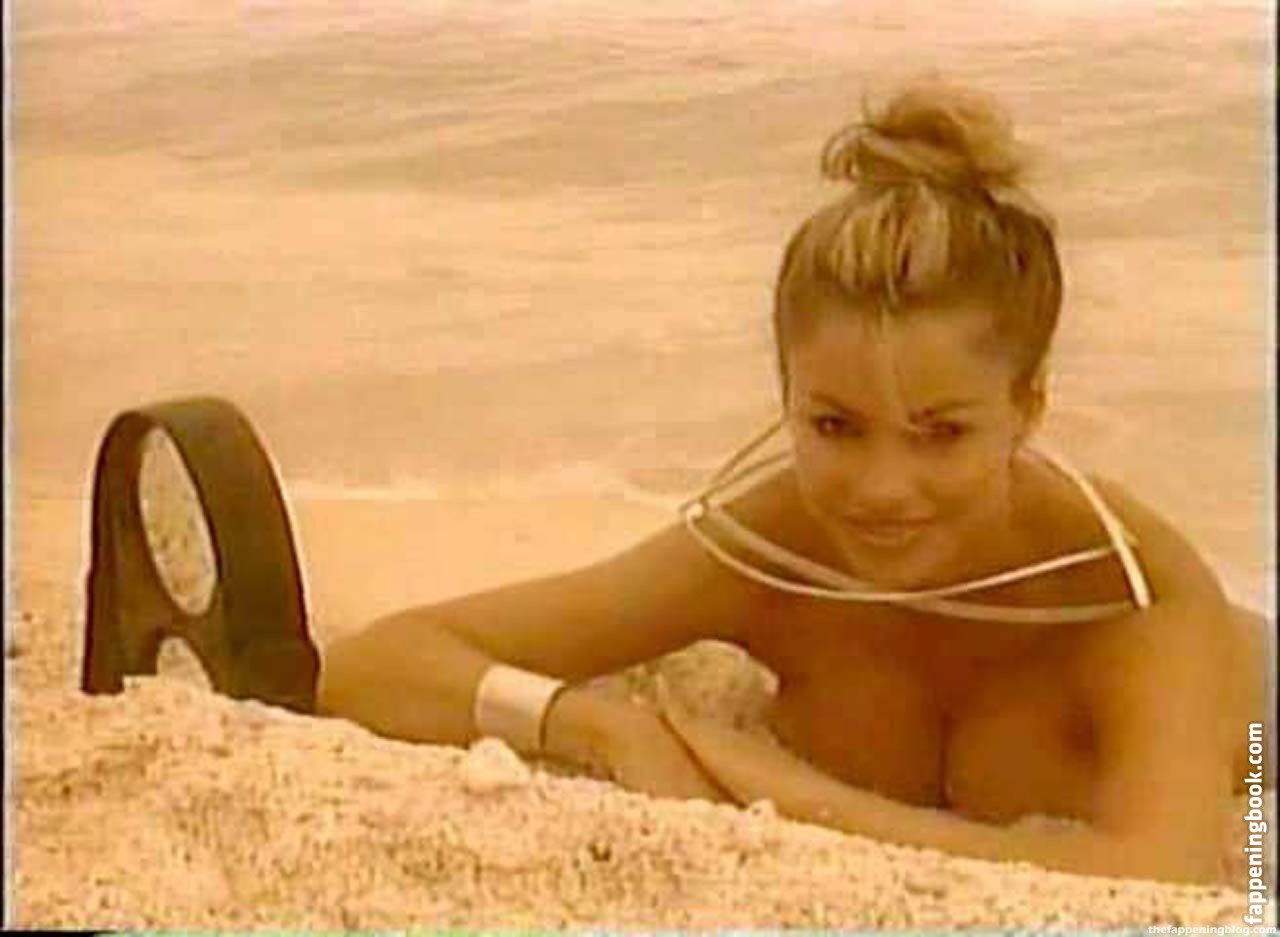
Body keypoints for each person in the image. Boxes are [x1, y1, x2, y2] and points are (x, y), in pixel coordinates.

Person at [315, 80, 1269, 885]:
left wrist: (787, 796)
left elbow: (1166, 877)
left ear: (1028, 409)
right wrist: (594, 727)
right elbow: (374, 668)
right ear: (786, 397)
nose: (882, 486)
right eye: (834, 426)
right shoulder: (775, 546)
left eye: (941, 433)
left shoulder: (1124, 587)